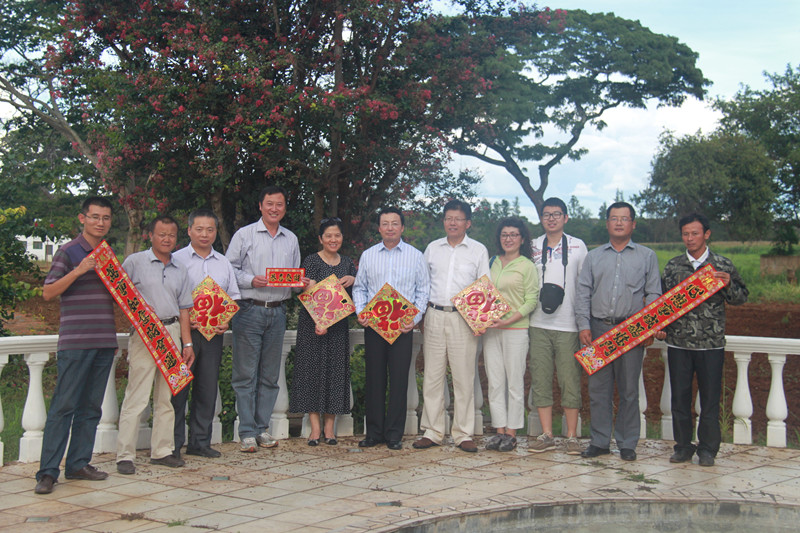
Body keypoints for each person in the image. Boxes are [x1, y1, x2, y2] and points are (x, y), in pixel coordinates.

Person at [34, 197, 117, 494]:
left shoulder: (109, 255)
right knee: (63, 406)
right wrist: (80, 269)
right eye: (95, 217)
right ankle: (47, 472)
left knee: (91, 408)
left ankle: (79, 464)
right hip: (75, 341)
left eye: (105, 218)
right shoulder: (68, 251)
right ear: (82, 218)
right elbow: (48, 292)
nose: (100, 223)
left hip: (104, 340)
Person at [656, 213, 748, 467]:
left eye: (695, 233)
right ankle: (683, 446)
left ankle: (708, 450)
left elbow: (741, 297)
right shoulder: (673, 266)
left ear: (706, 234)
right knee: (679, 398)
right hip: (679, 343)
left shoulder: (722, 265)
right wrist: (660, 326)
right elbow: (663, 303)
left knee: (709, 399)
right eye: (685, 234)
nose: (690, 238)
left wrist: (728, 286)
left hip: (711, 344)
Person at [575, 201, 661, 462]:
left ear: (633, 224)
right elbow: (583, 292)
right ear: (607, 224)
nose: (619, 223)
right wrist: (584, 325)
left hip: (631, 330)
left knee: (629, 391)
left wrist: (649, 327)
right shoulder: (594, 256)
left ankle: (627, 443)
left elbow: (653, 293)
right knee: (598, 390)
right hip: (598, 328)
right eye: (614, 218)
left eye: (624, 219)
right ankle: (600, 441)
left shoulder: (647, 256)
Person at [225, 185, 303, 452]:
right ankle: (247, 431)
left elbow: (294, 277)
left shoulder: (290, 239)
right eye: (269, 203)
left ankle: (262, 429)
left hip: (278, 311)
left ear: (284, 208)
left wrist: (302, 283)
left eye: (279, 204)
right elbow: (229, 270)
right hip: (249, 309)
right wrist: (251, 280)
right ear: (260, 206)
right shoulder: (244, 234)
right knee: (245, 374)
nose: (274, 209)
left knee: (270, 376)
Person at [116, 215, 195, 475]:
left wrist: (187, 343)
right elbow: (119, 294)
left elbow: (184, 309)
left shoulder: (180, 268)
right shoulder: (135, 262)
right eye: (161, 234)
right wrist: (136, 316)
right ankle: (125, 455)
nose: (167, 239)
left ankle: (162, 451)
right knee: (137, 396)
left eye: (171, 235)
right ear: (150, 235)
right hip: (145, 331)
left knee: (166, 398)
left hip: (172, 330)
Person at [414, 199, 490, 453]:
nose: (453, 223)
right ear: (444, 221)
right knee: (432, 376)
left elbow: (484, 285)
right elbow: (422, 283)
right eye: (448, 218)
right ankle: (433, 431)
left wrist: (480, 320)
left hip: (464, 319)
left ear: (467, 223)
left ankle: (463, 433)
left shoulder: (478, 250)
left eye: (458, 219)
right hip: (434, 314)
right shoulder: (432, 248)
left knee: (464, 376)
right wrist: (420, 316)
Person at [353, 207, 430, 450]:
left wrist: (414, 319)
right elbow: (359, 288)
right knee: (374, 379)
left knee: (399, 380)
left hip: (402, 327)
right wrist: (361, 311)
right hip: (374, 326)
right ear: (379, 228)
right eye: (385, 223)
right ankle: (374, 433)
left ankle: (395, 434)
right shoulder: (368, 256)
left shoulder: (415, 256)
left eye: (394, 223)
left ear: (402, 227)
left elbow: (423, 291)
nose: (390, 228)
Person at [171, 208, 241, 458]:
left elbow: (234, 295)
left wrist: (226, 321)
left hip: (213, 335)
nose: (204, 234)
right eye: (199, 229)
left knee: (207, 388)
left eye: (210, 230)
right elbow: (169, 295)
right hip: (182, 334)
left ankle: (199, 443)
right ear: (189, 230)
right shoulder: (176, 259)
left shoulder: (223, 262)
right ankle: (172, 444)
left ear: (215, 232)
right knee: (178, 390)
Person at [290, 217, 357, 446]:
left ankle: (329, 429)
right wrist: (319, 321)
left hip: (338, 328)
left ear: (342, 238)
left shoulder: (347, 263)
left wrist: (353, 280)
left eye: (337, 235)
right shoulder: (311, 261)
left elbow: (351, 300)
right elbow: (305, 292)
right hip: (312, 327)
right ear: (321, 238)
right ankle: (315, 429)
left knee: (335, 374)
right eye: (328, 235)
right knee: (311, 373)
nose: (333, 239)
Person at [528, 198, 588, 455]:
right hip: (537, 323)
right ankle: (547, 434)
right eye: (546, 214)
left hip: (568, 324)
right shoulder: (532, 245)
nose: (551, 218)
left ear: (566, 217)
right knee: (540, 378)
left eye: (556, 214)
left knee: (569, 380)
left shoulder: (578, 246)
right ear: (541, 218)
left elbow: (585, 285)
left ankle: (572, 435)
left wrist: (584, 322)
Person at [483, 217, 538, 452]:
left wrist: (507, 320)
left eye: (513, 235)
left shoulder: (527, 266)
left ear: (522, 239)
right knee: (495, 382)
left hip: (515, 330)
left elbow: (531, 301)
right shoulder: (492, 262)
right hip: (491, 331)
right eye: (504, 234)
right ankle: (499, 430)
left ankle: (512, 433)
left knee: (514, 382)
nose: (509, 239)